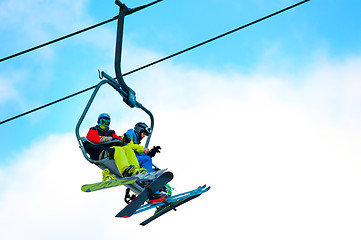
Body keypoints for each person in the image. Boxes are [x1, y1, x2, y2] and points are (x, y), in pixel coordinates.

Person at [86, 113, 146, 179]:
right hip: (100, 152)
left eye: (107, 122)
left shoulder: (110, 133)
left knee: (127, 148)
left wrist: (125, 139)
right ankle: (125, 170)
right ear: (98, 122)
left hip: (110, 151)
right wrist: (111, 139)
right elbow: (95, 139)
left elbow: (118, 139)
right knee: (118, 149)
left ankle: (136, 170)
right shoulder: (93, 130)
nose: (104, 123)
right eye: (102, 121)